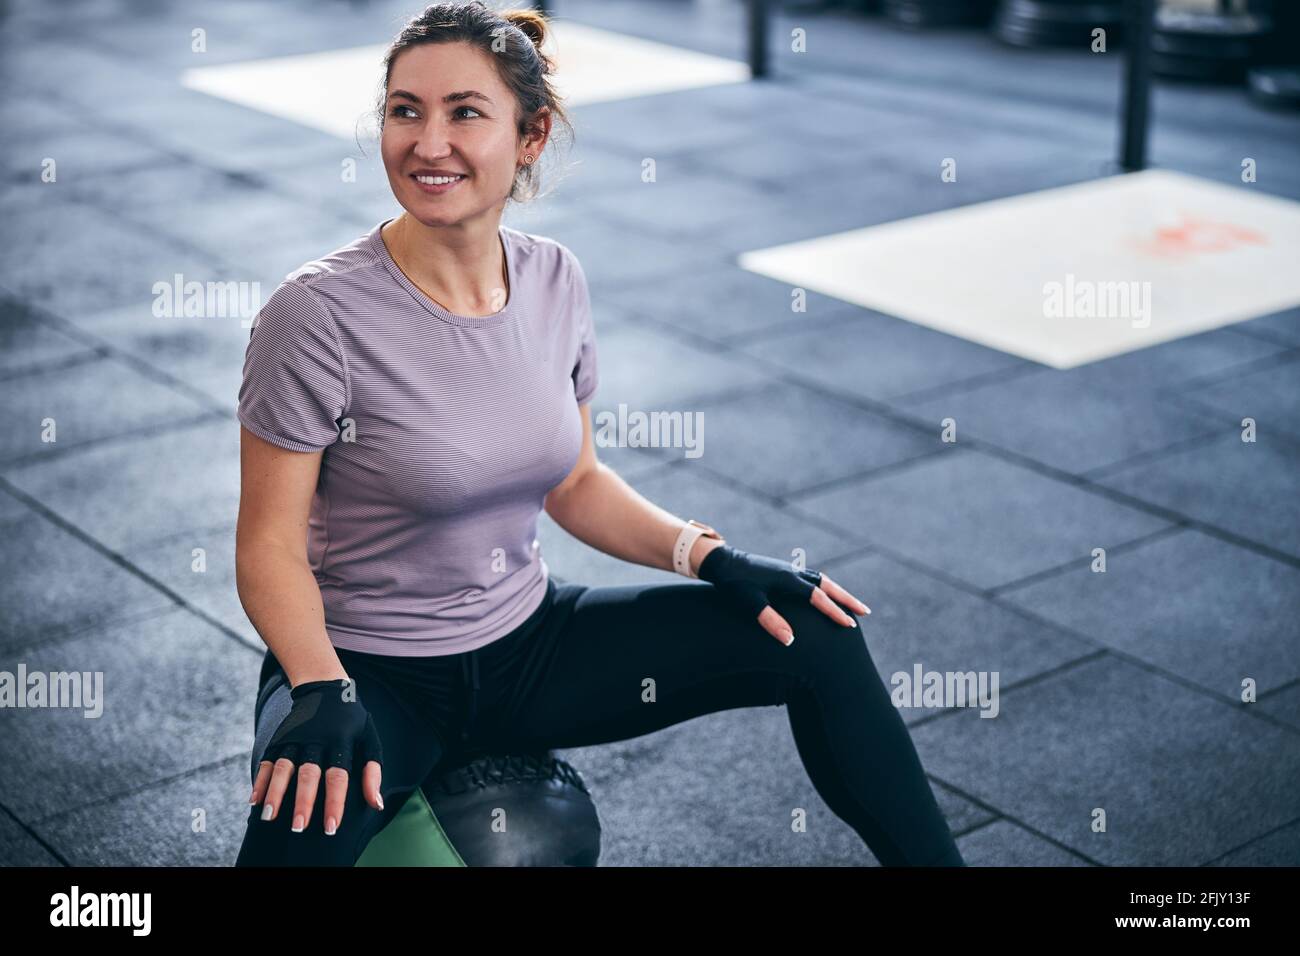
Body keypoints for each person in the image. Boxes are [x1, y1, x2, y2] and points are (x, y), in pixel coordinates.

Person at [233, 0, 965, 867]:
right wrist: (320, 684)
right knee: (292, 841)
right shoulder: (314, 315)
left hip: (528, 646)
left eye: (465, 112)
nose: (428, 143)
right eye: (405, 111)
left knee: (816, 634)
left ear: (531, 135)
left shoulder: (553, 278)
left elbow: (575, 482)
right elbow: (267, 546)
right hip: (369, 671)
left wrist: (710, 556)